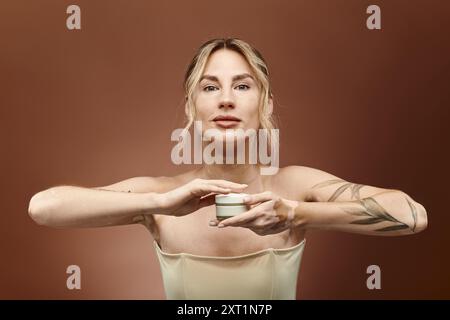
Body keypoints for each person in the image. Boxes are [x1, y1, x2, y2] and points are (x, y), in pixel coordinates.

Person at [28, 38, 428, 300]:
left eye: (242, 85)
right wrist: (162, 203)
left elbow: (412, 215)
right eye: (209, 86)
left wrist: (296, 213)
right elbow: (44, 208)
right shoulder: (162, 195)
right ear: (191, 107)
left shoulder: (296, 186)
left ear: (265, 104)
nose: (225, 100)